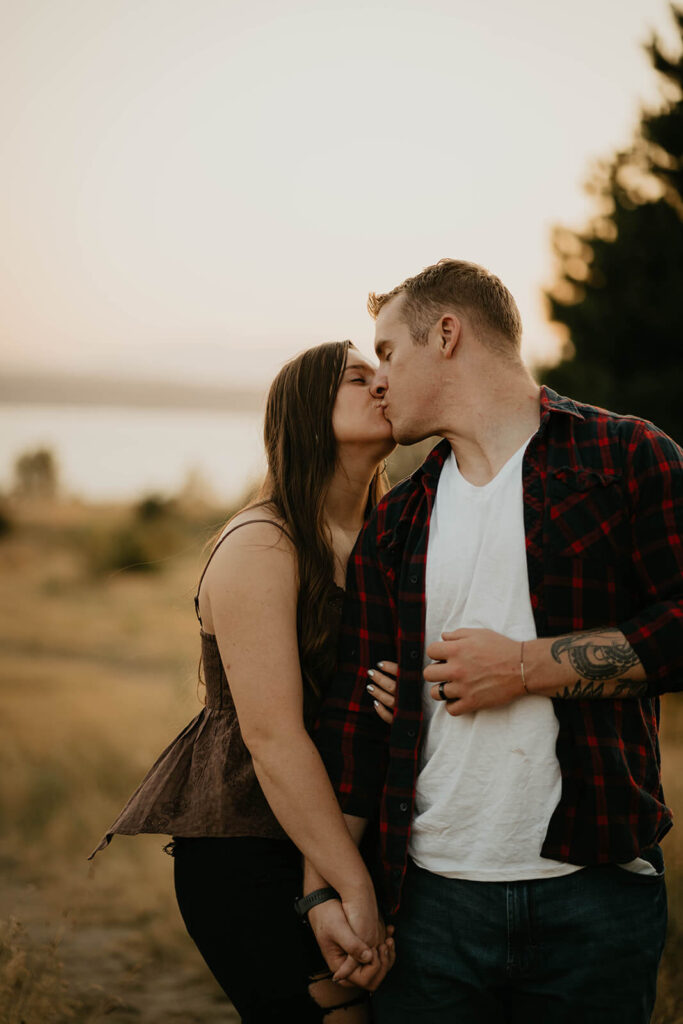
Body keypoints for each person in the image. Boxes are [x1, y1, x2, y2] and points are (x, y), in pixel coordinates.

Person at [308, 259, 682, 1022]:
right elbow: (354, 735)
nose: (377, 379)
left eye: (386, 352)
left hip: (595, 892)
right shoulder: (397, 524)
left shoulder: (624, 457)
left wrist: (520, 667)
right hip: (429, 905)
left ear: (446, 334)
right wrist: (325, 890)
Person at [89, 340, 397, 1023]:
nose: (382, 386)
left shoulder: (389, 534)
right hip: (248, 845)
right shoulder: (264, 543)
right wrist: (350, 892)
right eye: (357, 378)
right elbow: (272, 737)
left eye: (383, 376)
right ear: (308, 414)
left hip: (353, 831)